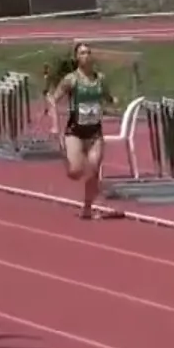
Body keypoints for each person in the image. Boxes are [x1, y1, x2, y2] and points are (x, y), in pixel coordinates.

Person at [46, 43, 117, 219]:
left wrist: (113, 101)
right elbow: (52, 99)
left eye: (88, 52)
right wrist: (55, 124)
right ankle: (66, 158)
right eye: (82, 53)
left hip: (95, 133)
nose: (86, 55)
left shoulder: (100, 78)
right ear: (77, 58)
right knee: (75, 172)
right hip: (75, 132)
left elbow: (107, 97)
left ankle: (87, 208)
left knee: (93, 170)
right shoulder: (71, 79)